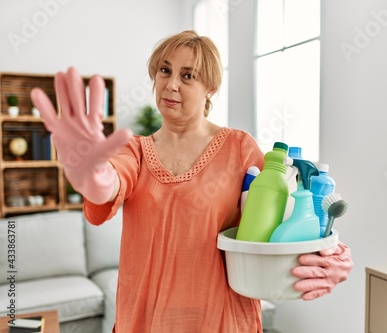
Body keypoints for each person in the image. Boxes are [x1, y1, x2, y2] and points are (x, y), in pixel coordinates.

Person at [30, 30, 353, 333]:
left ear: (210, 87)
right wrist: (92, 175)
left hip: (223, 321)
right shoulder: (136, 151)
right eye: (164, 71)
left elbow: (286, 218)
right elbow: (110, 182)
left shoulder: (240, 149)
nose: (171, 85)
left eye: (188, 76)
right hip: (144, 321)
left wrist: (334, 255)